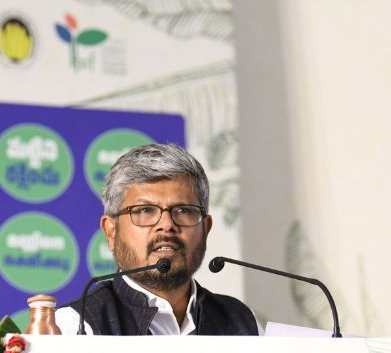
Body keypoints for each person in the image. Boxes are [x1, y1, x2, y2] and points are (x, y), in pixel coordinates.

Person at [55, 143, 260, 335]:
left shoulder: (242, 321)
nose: (167, 224)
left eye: (183, 210)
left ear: (205, 229)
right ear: (111, 232)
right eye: (145, 210)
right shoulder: (77, 325)